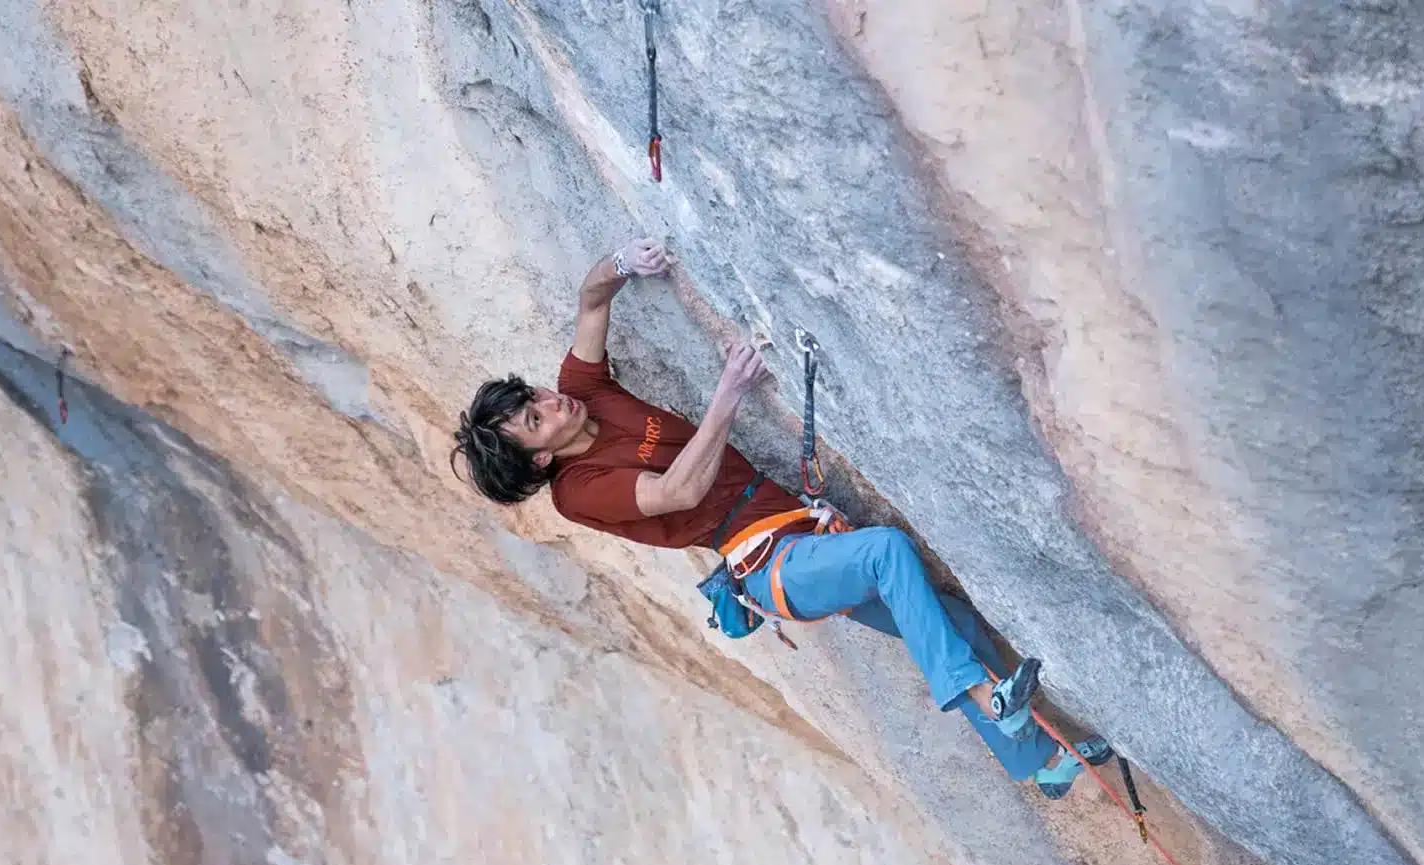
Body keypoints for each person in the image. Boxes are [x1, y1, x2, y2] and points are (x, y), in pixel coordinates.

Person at [452, 237, 1109, 797]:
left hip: (795, 530)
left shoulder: (583, 391)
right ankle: (982, 696)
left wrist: (623, 261)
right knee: (885, 552)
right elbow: (676, 492)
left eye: (534, 395)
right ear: (540, 459)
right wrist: (729, 393)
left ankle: (1039, 765)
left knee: (953, 620)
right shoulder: (578, 491)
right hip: (771, 565)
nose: (551, 401)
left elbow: (592, 300)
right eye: (535, 417)